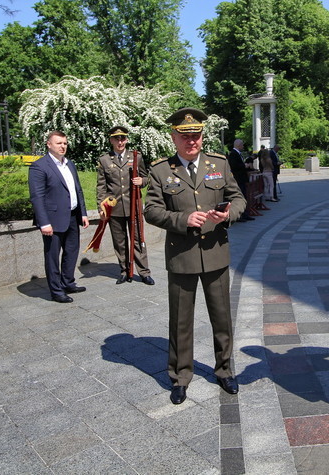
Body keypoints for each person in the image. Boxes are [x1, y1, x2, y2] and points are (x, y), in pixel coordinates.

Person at [144, 108, 246, 405]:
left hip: (216, 252)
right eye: (185, 136)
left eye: (196, 135)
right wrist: (183, 220)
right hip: (182, 256)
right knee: (180, 321)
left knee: (222, 317)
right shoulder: (161, 170)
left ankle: (224, 370)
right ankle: (180, 377)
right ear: (174, 137)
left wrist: (228, 215)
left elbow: (238, 198)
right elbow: (151, 210)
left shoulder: (219, 163)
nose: (192, 141)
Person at [28, 131, 89, 303]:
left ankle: (68, 282)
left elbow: (78, 190)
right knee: (52, 256)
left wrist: (83, 213)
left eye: (65, 143)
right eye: (58, 143)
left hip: (72, 216)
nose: (63, 146)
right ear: (49, 144)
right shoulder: (39, 166)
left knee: (71, 251)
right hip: (52, 220)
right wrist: (44, 223)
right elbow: (37, 197)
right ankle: (56, 291)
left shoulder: (69, 164)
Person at [96, 126, 155, 285]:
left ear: (127, 139)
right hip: (114, 207)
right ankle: (124, 270)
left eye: (123, 138)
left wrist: (141, 181)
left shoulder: (136, 157)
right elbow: (101, 186)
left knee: (138, 239)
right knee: (119, 241)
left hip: (133, 206)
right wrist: (101, 207)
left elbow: (146, 178)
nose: (120, 142)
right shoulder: (105, 160)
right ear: (111, 140)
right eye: (116, 139)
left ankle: (144, 272)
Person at [227, 139, 254, 221]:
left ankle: (245, 214)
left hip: (241, 179)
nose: (243, 147)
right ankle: (239, 215)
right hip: (238, 179)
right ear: (239, 145)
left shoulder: (238, 153)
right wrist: (244, 165)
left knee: (244, 197)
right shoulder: (233, 154)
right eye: (242, 145)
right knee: (239, 197)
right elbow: (234, 166)